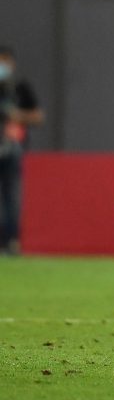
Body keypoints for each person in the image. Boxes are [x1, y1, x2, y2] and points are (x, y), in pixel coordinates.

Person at [0, 46, 44, 255]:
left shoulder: (19, 88)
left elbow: (38, 117)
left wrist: (16, 116)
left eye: (5, 61)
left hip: (11, 148)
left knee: (10, 196)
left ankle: (11, 241)